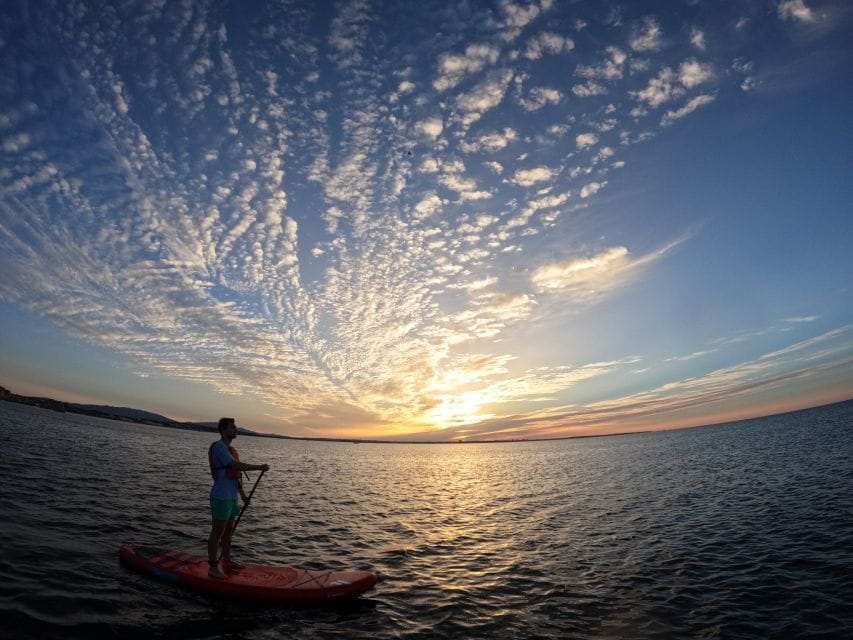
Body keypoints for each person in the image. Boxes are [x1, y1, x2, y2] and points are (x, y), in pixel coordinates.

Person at [207, 417, 269, 578]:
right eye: (232, 428)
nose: (236, 430)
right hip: (221, 497)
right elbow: (234, 466)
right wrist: (258, 467)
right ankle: (213, 568)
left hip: (232, 497)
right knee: (217, 533)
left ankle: (227, 561)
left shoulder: (231, 450)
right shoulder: (219, 448)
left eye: (235, 427)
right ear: (223, 430)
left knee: (228, 533)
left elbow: (236, 476)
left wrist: (243, 496)